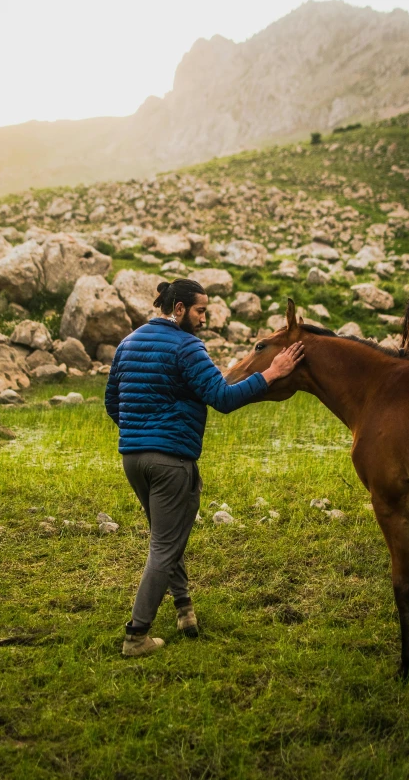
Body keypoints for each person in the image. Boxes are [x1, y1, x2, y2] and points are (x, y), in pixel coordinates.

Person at [105, 279, 304, 656]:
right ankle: (136, 635)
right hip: (171, 462)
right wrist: (271, 373)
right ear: (178, 309)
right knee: (164, 546)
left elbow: (112, 405)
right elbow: (223, 398)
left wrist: (142, 430)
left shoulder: (127, 344)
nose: (203, 319)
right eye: (200, 310)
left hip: (133, 460)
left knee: (168, 535)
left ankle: (184, 610)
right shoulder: (187, 347)